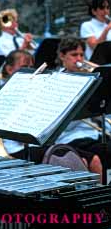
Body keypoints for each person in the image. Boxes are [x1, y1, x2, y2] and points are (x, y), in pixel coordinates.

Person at [9, 38, 105, 178]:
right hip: (66, 137)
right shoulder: (55, 83)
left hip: (89, 133)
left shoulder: (88, 79)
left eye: (81, 55)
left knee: (95, 157)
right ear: (62, 56)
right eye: (74, 55)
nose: (79, 59)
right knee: (86, 161)